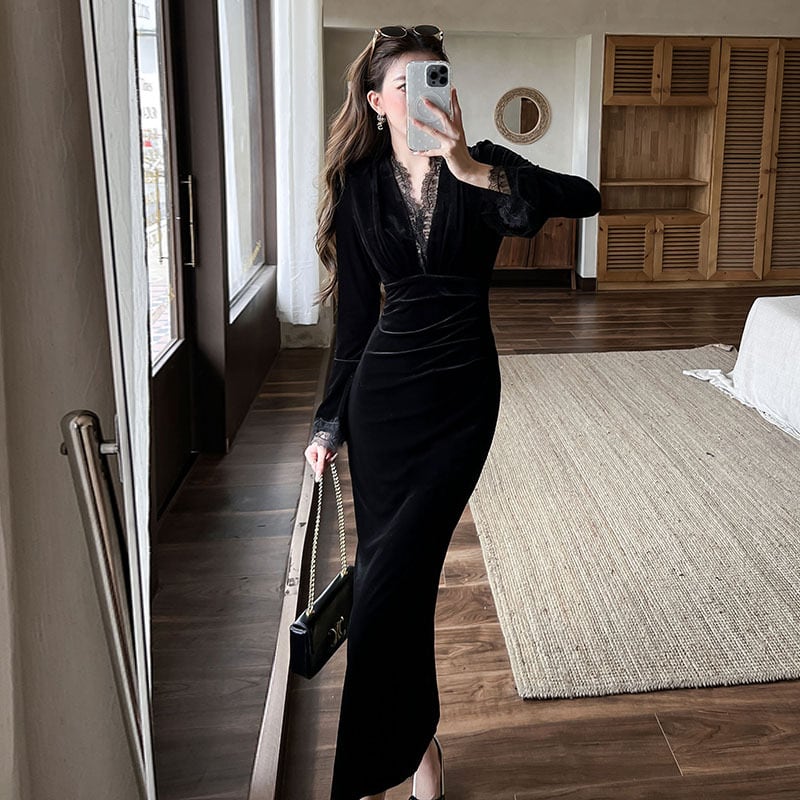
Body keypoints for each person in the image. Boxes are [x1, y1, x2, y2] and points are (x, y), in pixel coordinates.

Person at [303, 24, 601, 800]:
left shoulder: (484, 165)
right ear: (377, 102)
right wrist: (328, 422)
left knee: (393, 583)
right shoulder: (358, 187)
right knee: (388, 586)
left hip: (462, 397)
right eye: (405, 84)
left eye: (435, 78)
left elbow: (583, 198)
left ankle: (375, 770)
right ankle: (417, 752)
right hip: (383, 403)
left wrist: (468, 166)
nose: (423, 94)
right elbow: (355, 319)